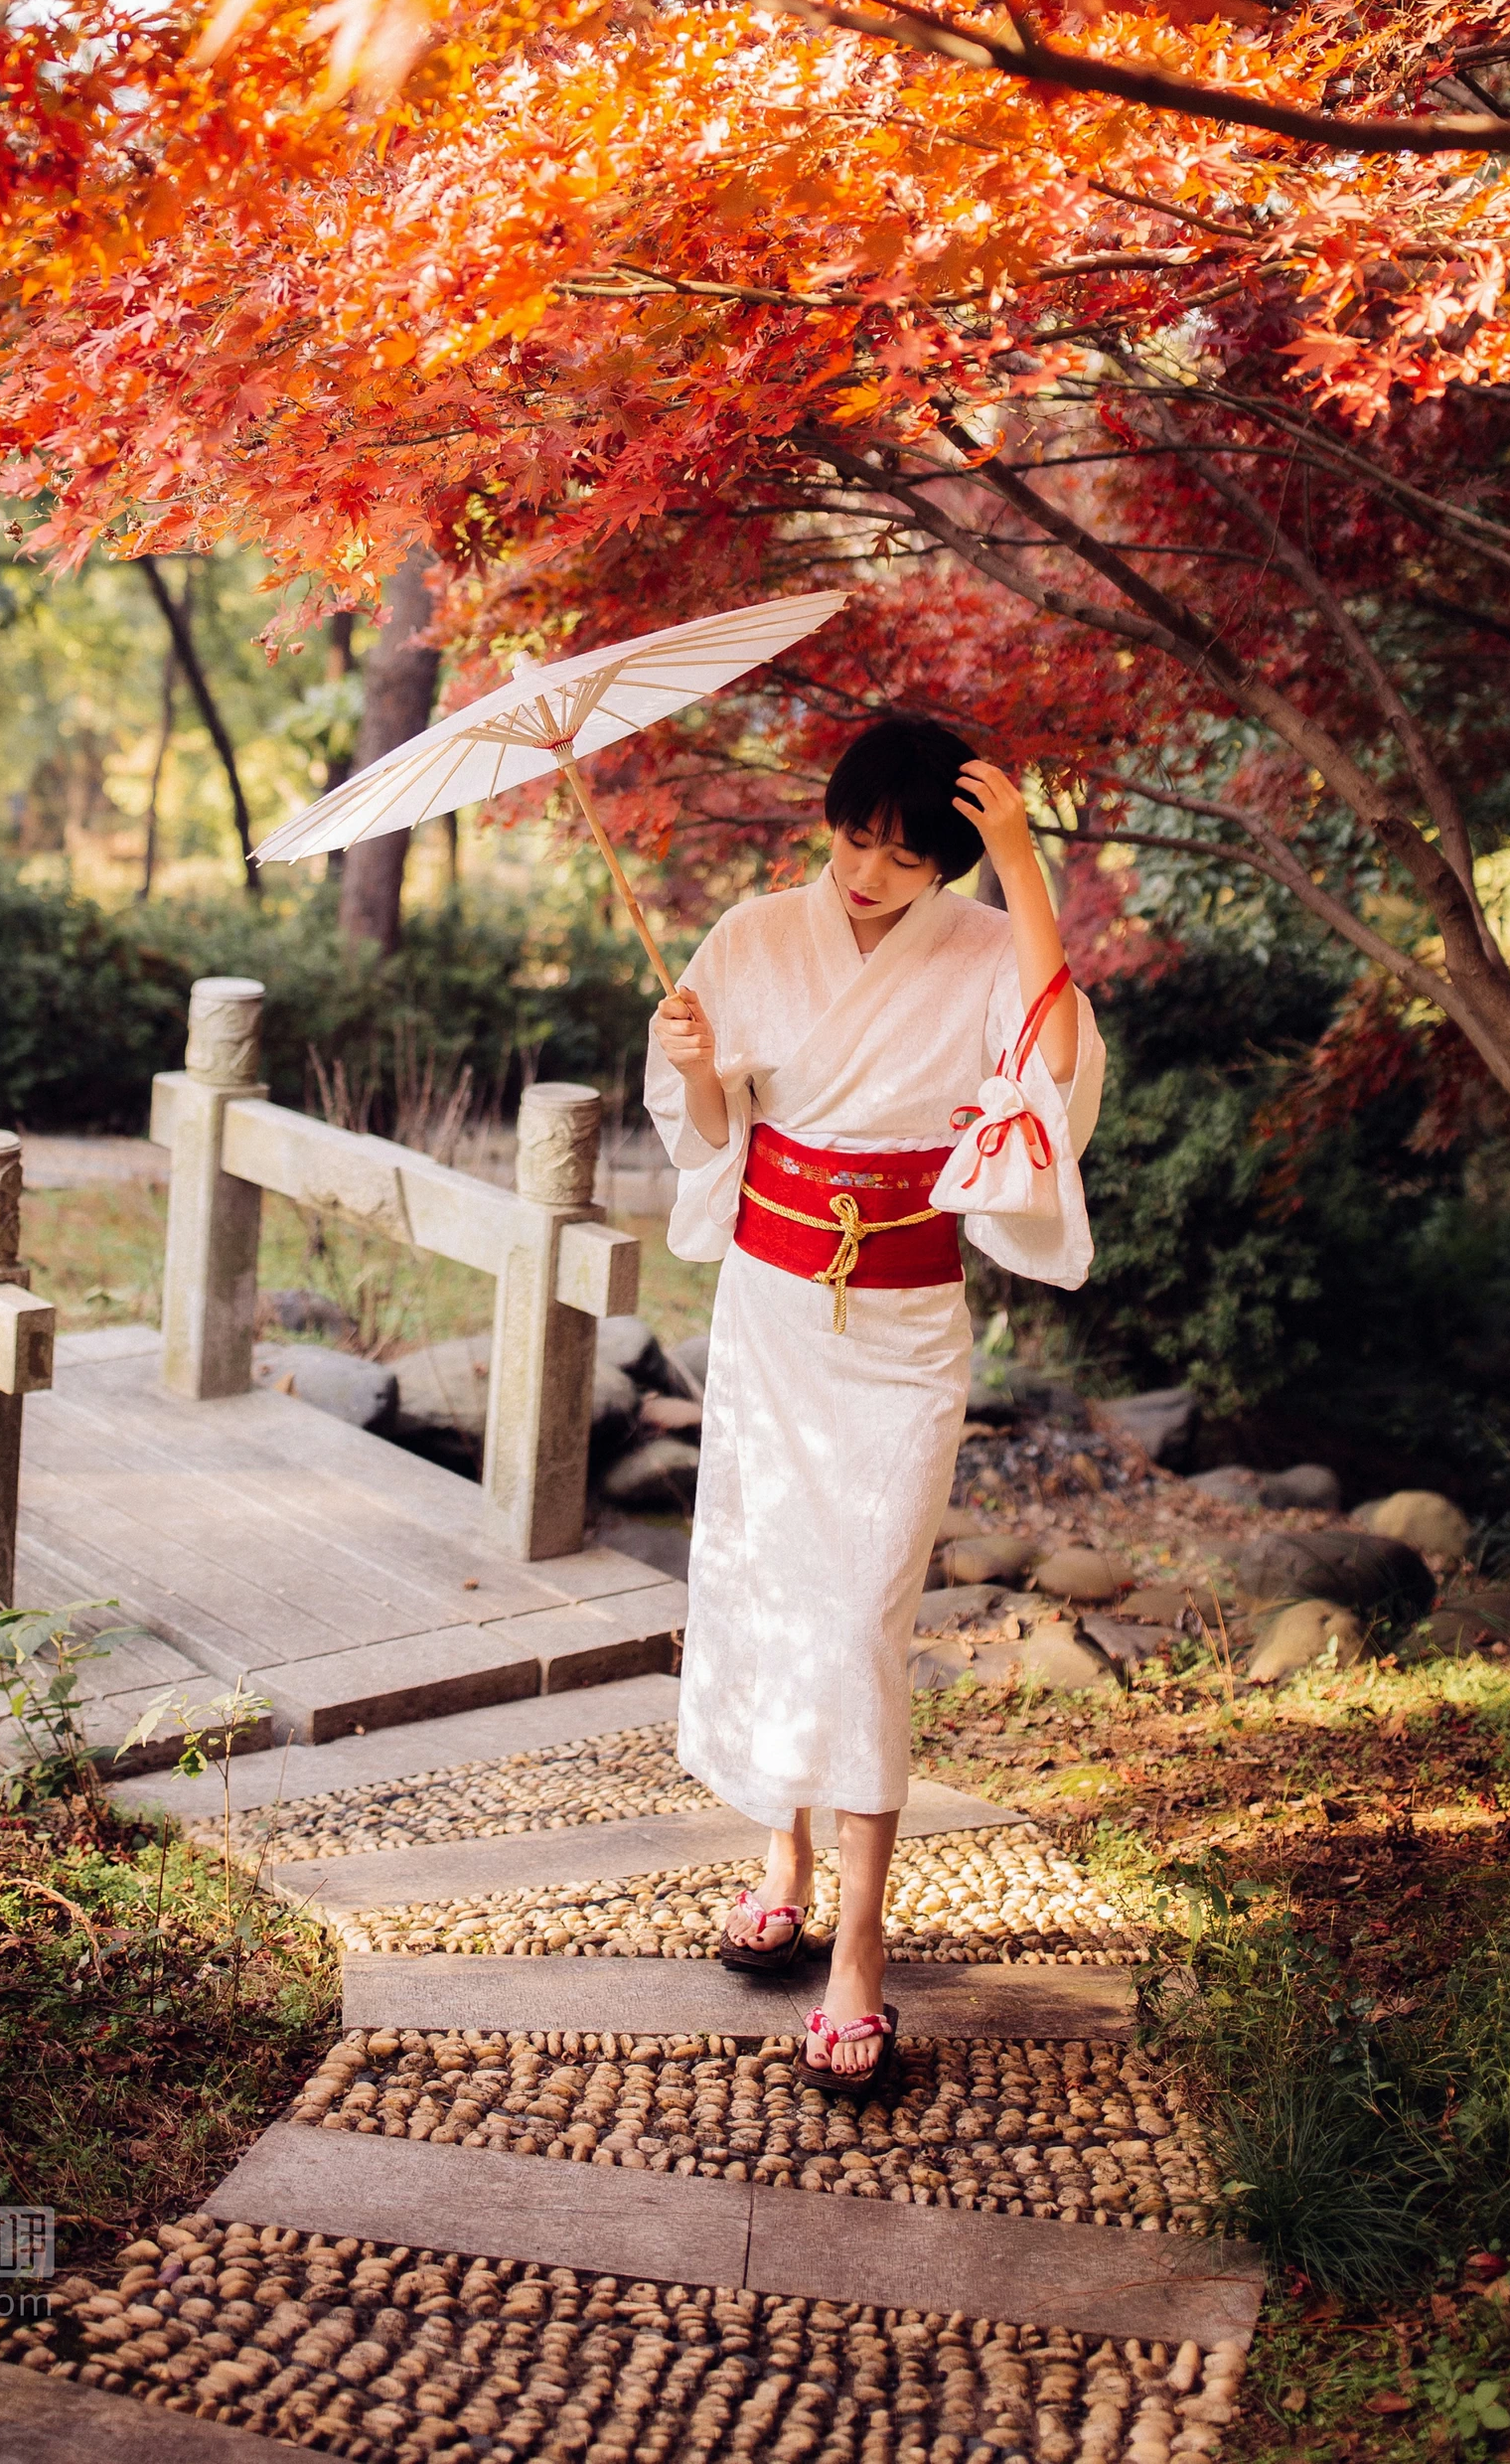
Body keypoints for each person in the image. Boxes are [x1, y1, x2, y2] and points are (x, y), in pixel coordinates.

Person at [645, 711, 1104, 2090]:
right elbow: (713, 1138)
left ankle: (860, 1947)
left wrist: (1022, 862)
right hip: (774, 1314)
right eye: (854, 841)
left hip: (903, 1326)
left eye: (907, 859)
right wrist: (695, 1073)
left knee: (860, 1616)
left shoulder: (985, 945)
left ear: (949, 864)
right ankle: (780, 1857)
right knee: (770, 1581)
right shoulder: (751, 937)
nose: (867, 874)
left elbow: (1056, 1065)